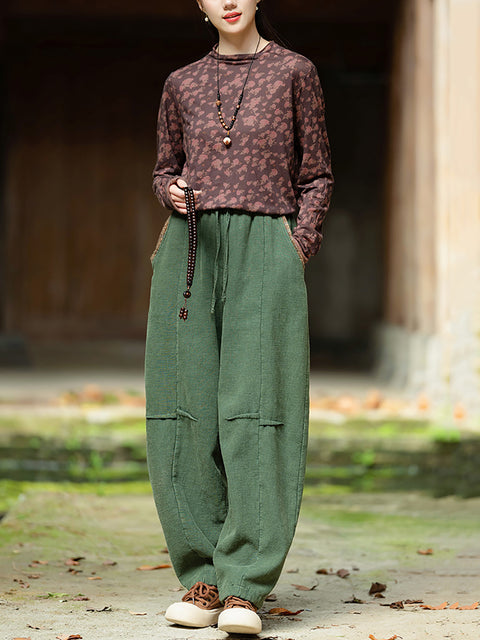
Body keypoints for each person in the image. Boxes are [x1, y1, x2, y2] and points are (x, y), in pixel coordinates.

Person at [144, 0, 334, 634]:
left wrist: (293, 248)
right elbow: (164, 167)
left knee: (260, 408)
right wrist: (167, 189)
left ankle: (245, 588)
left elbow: (318, 173)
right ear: (199, 3)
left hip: (265, 247)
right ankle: (201, 580)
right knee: (183, 406)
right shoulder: (181, 82)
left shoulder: (294, 72)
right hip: (190, 248)